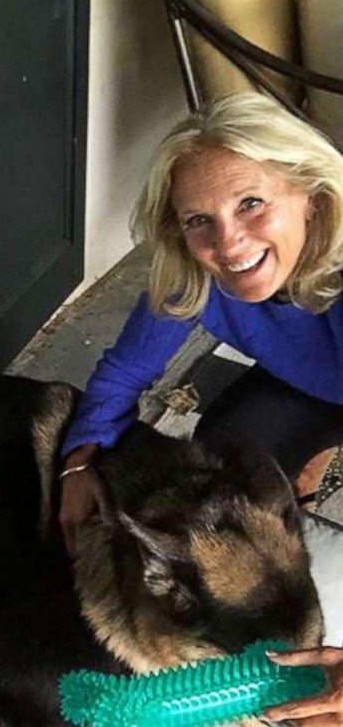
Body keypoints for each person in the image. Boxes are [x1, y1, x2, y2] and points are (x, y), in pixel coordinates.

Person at [57, 92, 343, 723]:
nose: (230, 241)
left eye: (251, 204)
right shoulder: (198, 273)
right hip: (309, 379)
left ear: (312, 197)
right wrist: (80, 459)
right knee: (226, 450)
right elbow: (128, 368)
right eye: (198, 220)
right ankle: (307, 474)